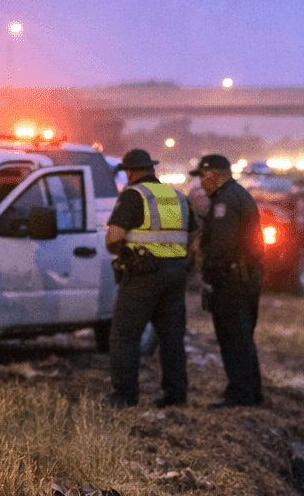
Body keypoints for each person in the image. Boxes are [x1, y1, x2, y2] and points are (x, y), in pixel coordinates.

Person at [106, 148, 194, 408]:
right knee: (171, 337)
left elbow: (113, 237)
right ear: (152, 169)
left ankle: (124, 396)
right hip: (176, 273)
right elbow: (191, 235)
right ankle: (176, 396)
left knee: (125, 336)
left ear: (130, 173)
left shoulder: (133, 196)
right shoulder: (175, 196)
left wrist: (121, 252)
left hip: (142, 274)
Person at [191, 153, 264, 407]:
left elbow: (221, 245)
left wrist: (211, 277)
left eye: (202, 176)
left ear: (214, 175)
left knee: (234, 337)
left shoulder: (225, 201)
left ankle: (240, 394)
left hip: (232, 281)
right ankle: (251, 392)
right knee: (243, 336)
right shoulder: (238, 194)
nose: (201, 183)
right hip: (246, 277)